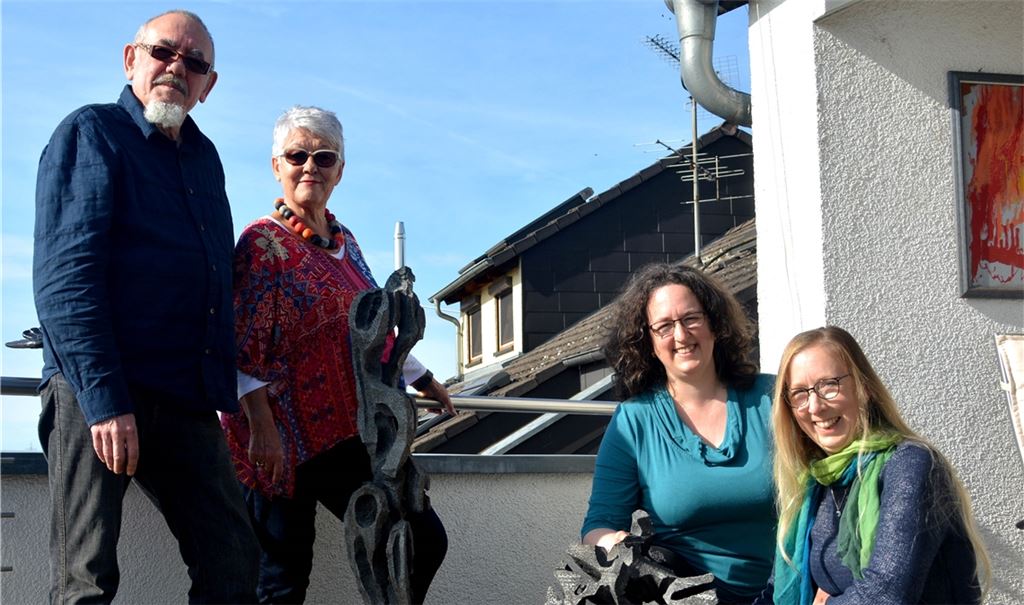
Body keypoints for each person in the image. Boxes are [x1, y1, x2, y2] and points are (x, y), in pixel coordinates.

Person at [32, 10, 259, 603]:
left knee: (235, 564)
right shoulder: (92, 132)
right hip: (96, 394)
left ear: (209, 86)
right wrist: (106, 403)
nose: (176, 69)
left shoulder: (205, 159)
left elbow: (212, 283)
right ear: (131, 58)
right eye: (164, 53)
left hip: (183, 399)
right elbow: (66, 279)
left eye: (195, 63)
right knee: (86, 583)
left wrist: (218, 394)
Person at [220, 105, 454, 604]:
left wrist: (422, 376)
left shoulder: (345, 241)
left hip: (341, 431)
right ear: (277, 166)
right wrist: (261, 425)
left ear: (340, 170)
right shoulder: (261, 244)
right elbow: (239, 343)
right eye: (297, 155)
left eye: (323, 157)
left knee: (421, 538)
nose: (311, 166)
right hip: (278, 438)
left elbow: (367, 325)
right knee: (281, 580)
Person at [581, 262, 776, 603]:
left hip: (787, 592)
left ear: (714, 324)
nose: (682, 335)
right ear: (648, 342)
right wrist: (618, 544)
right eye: (664, 326)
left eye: (691, 319)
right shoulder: (634, 421)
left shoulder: (771, 398)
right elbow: (598, 526)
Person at [757, 326, 990, 605]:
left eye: (829, 385)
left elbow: (886, 594)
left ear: (863, 387)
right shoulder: (814, 479)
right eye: (799, 393)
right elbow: (774, 591)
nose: (815, 406)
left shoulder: (909, 464)